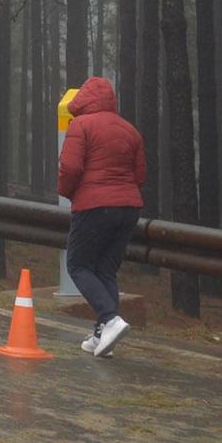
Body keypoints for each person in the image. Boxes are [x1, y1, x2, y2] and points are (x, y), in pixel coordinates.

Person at [58, 76, 145, 358]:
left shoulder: (81, 125)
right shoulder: (130, 130)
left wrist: (69, 194)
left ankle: (109, 319)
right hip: (129, 208)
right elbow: (140, 175)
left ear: (84, 99)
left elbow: (70, 168)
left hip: (94, 205)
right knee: (106, 268)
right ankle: (101, 336)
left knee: (78, 265)